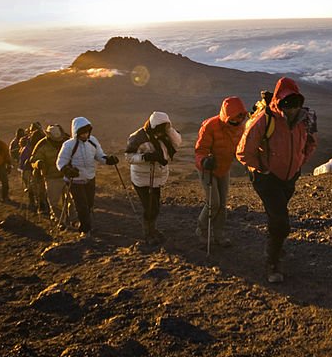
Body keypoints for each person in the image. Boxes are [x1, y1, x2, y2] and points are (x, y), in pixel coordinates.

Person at [237, 77, 317, 283]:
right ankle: (271, 263)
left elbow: (310, 144)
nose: (291, 108)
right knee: (281, 221)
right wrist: (263, 169)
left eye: (295, 103)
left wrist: (299, 164)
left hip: (289, 177)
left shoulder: (305, 119)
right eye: (287, 103)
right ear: (279, 101)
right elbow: (243, 152)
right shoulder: (265, 119)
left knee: (278, 215)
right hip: (267, 178)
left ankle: (275, 247)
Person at [194, 96, 248, 247]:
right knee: (214, 202)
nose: (237, 121)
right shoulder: (210, 126)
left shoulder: (241, 127)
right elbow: (200, 150)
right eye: (234, 118)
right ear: (226, 115)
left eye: (240, 117)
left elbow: (241, 149)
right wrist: (204, 160)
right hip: (207, 169)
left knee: (222, 204)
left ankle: (219, 234)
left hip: (224, 168)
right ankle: (202, 230)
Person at [125, 111, 182, 245]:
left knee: (155, 207)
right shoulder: (138, 137)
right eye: (160, 128)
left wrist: (170, 130)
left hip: (157, 178)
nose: (161, 132)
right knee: (149, 207)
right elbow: (128, 157)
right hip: (141, 178)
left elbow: (178, 142)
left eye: (164, 128)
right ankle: (148, 233)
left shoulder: (166, 134)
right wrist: (146, 157)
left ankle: (153, 230)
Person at [55, 117, 119, 234]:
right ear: (76, 132)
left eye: (87, 132)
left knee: (89, 204)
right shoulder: (69, 145)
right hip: (74, 180)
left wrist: (108, 160)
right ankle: (85, 229)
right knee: (82, 205)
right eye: (82, 133)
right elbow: (61, 162)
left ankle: (86, 224)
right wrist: (67, 170)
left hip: (90, 178)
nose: (85, 135)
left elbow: (99, 155)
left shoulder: (92, 141)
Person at [30, 124, 67, 224]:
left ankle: (73, 219)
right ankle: (60, 220)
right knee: (54, 201)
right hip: (52, 177)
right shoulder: (42, 144)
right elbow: (34, 159)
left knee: (71, 200)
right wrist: (38, 163)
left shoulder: (66, 141)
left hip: (68, 175)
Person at [19, 122, 46, 212]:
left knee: (35, 186)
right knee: (39, 186)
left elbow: (23, 158)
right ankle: (41, 203)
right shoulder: (43, 142)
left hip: (34, 167)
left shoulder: (28, 144)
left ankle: (37, 202)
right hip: (38, 168)